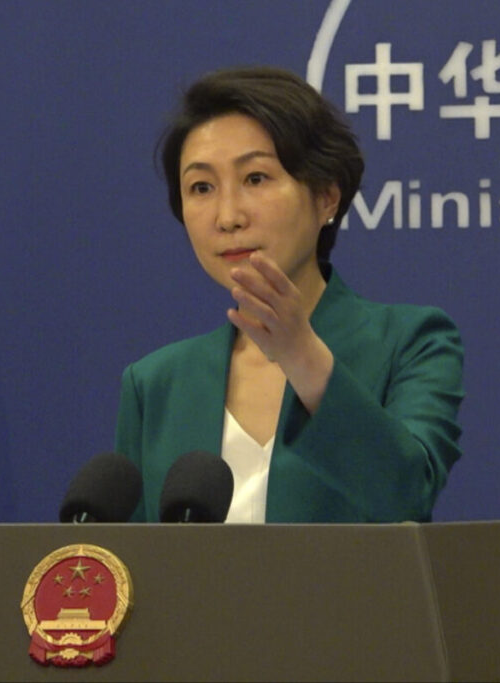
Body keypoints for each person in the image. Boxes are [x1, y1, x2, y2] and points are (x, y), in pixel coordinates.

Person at [115, 66, 464, 523]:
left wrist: (304, 358)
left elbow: (407, 496)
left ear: (326, 197)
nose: (228, 216)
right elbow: (131, 559)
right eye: (201, 187)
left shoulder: (410, 342)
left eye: (255, 178)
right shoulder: (156, 383)